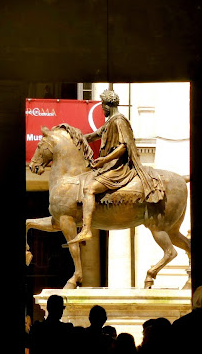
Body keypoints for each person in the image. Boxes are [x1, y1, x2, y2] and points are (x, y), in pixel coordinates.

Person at [68, 89, 165, 244]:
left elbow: (123, 147)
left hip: (118, 168)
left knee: (89, 189)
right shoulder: (110, 122)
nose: (101, 109)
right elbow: (94, 135)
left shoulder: (119, 121)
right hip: (108, 166)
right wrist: (72, 137)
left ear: (108, 105)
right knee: (84, 182)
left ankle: (86, 229)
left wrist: (103, 160)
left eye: (103, 106)